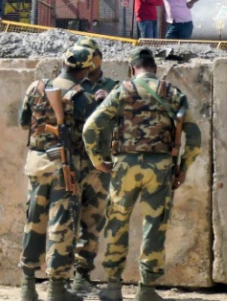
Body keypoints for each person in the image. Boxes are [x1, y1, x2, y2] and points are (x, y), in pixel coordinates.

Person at [84, 47, 202, 301]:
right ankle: (146, 289)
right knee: (154, 226)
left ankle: (113, 287)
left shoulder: (121, 91)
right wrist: (183, 168)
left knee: (117, 224)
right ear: (155, 68)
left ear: (132, 69)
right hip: (160, 168)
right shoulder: (172, 93)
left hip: (124, 167)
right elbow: (194, 136)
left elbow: (91, 127)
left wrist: (97, 161)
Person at [17, 46, 96, 301]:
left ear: (63, 63)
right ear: (85, 70)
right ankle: (56, 289)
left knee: (33, 221)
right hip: (63, 165)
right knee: (61, 224)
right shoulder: (81, 97)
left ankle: (27, 286)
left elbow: (23, 122)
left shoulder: (36, 87)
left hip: (36, 161)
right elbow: (91, 134)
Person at [68, 38, 118, 296]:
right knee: (66, 219)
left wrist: (110, 102)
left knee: (93, 220)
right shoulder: (70, 83)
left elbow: (128, 117)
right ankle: (59, 277)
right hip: (73, 161)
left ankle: (82, 275)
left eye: (92, 54)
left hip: (99, 164)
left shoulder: (113, 87)